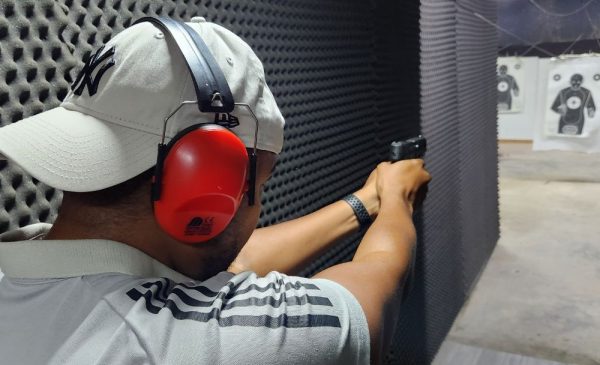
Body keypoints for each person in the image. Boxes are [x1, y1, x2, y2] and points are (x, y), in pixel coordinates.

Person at [0, 17, 430, 365]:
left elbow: (218, 263)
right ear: (209, 188)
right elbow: (378, 284)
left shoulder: (23, 266)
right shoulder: (193, 343)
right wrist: (397, 199)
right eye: (258, 184)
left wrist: (364, 202)